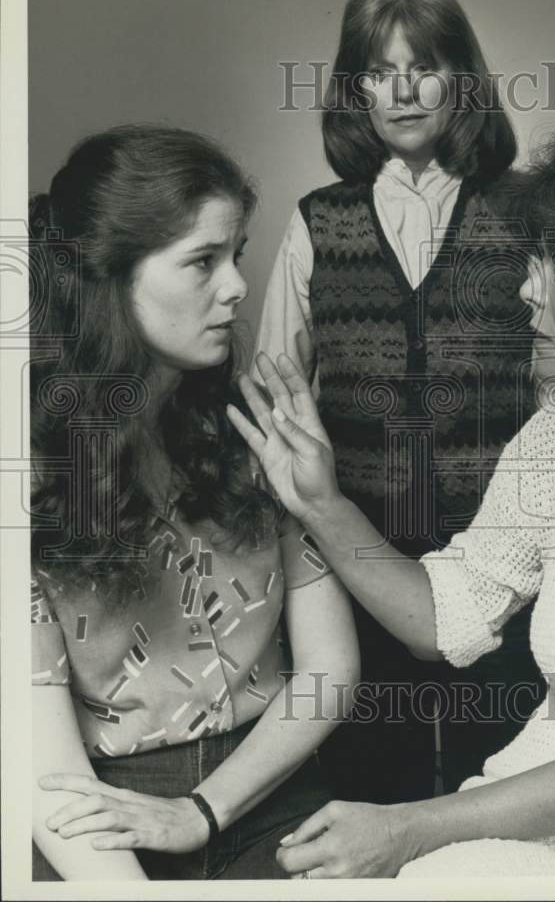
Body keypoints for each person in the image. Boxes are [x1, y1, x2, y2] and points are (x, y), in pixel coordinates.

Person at [229, 120, 555, 877]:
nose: (525, 286)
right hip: (525, 826)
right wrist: (322, 504)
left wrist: (408, 829)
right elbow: (439, 622)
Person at [29, 124, 358, 881]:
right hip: (94, 814)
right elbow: (46, 771)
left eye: (234, 255)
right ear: (108, 279)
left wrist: (205, 809)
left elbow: (329, 669)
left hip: (269, 791)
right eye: (202, 261)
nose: (238, 286)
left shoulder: (256, 434)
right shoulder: (34, 476)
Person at [255, 0, 544, 804]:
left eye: (424, 66)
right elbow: (275, 396)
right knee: (371, 788)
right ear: (356, 92)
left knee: (502, 786)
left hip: (506, 557)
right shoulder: (318, 222)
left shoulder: (526, 214)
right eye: (379, 71)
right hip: (358, 554)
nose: (404, 90)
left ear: (464, 80)